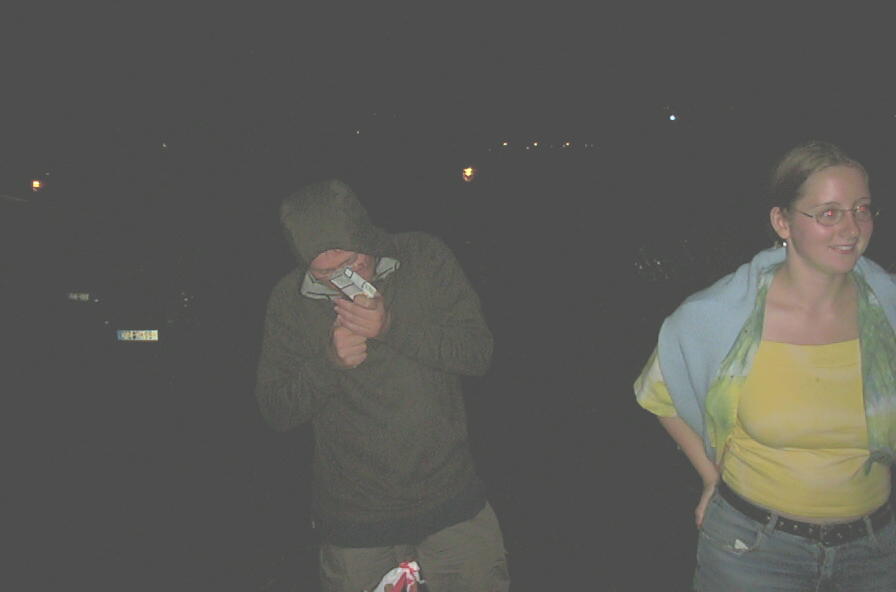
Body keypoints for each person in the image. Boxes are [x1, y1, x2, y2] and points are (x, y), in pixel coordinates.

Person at [634, 140, 896, 591]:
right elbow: (658, 395)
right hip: (753, 551)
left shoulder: (887, 310)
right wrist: (711, 476)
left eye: (861, 209)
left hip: (874, 550)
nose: (852, 228)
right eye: (829, 213)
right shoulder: (725, 316)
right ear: (783, 222)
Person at [254, 179, 510, 592]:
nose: (343, 278)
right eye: (325, 272)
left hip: (452, 503)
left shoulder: (424, 257)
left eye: (352, 262)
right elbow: (276, 409)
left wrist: (392, 327)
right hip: (355, 523)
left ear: (367, 238)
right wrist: (329, 364)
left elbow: (478, 353)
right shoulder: (289, 300)